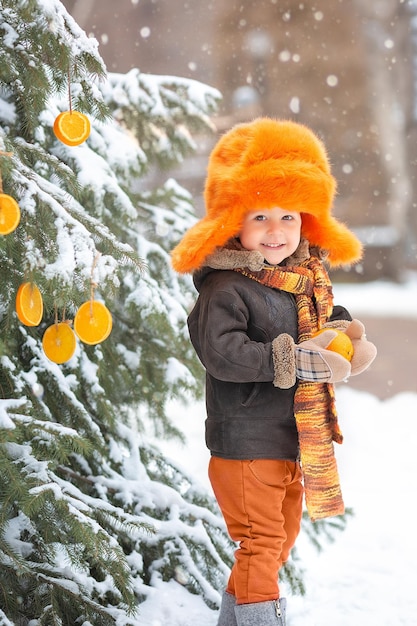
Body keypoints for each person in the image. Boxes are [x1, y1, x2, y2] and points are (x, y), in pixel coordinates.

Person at [171, 118, 377, 626]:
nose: (275, 230)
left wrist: (345, 336)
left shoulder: (302, 283)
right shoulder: (225, 288)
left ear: (308, 223)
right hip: (245, 441)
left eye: (289, 216)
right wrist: (290, 360)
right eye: (259, 215)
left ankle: (234, 617)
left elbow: (325, 321)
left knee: (278, 542)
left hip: (290, 439)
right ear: (231, 222)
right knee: (261, 544)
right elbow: (222, 352)